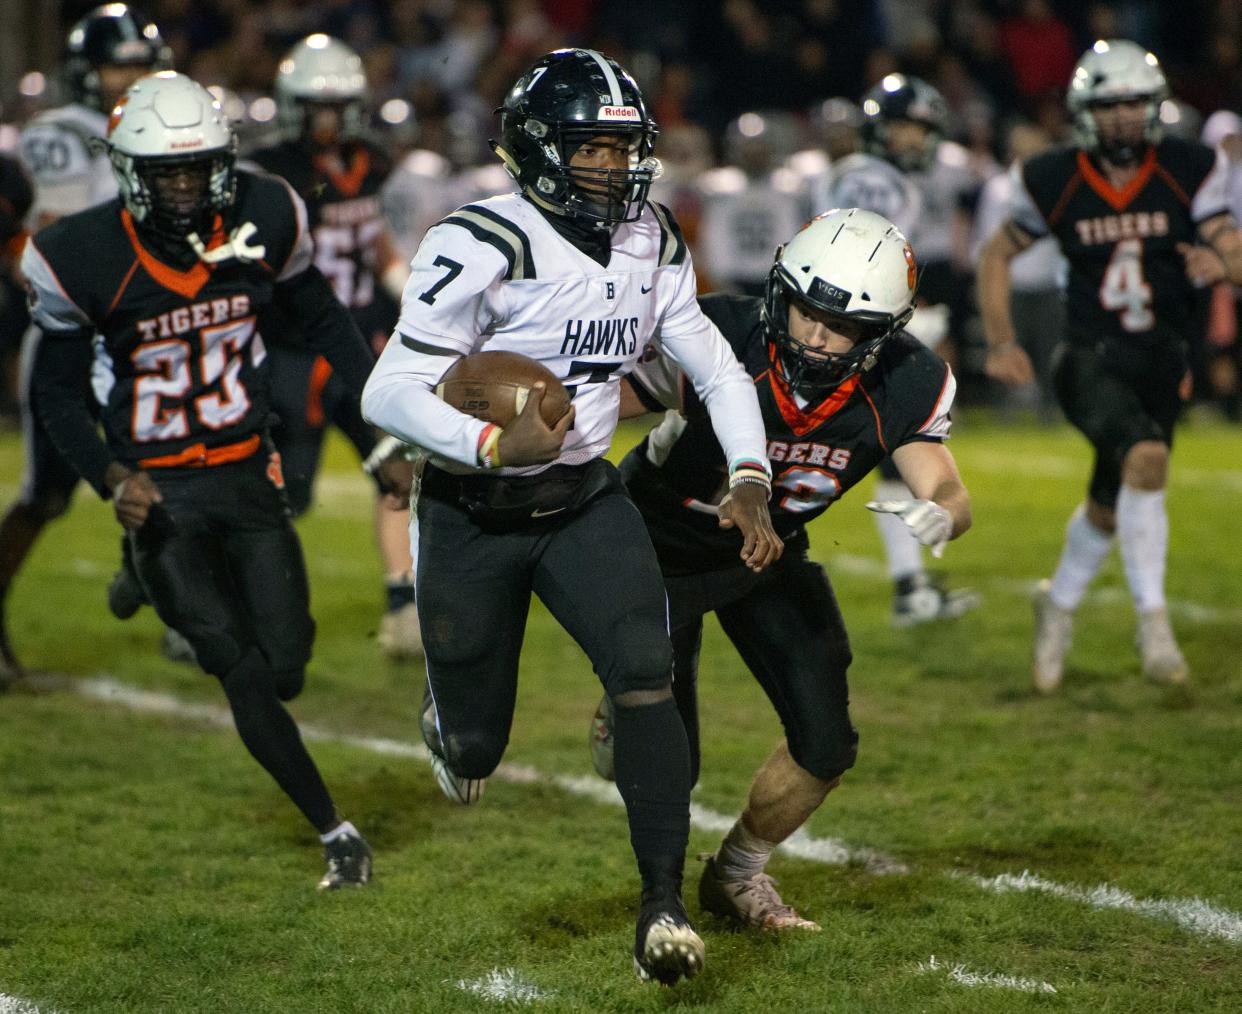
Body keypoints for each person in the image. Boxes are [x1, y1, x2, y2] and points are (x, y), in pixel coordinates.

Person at [361, 48, 782, 986]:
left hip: (585, 497)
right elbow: (385, 387)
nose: (618, 168)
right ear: (540, 149)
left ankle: (662, 907)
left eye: (627, 147)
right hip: (472, 508)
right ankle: (448, 713)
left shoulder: (652, 238)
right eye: (594, 148)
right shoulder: (481, 240)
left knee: (646, 670)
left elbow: (712, 367)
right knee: (478, 746)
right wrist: (483, 447)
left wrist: (750, 471)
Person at [24, 72, 379, 888]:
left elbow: (323, 315)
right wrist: (112, 476)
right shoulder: (81, 254)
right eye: (165, 173)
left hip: (247, 469)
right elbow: (54, 390)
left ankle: (141, 580)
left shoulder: (267, 211)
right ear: (128, 171)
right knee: (239, 666)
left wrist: (386, 411)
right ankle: (336, 833)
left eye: (196, 169)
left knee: (289, 660)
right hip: (160, 491)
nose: (183, 188)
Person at [587, 207, 970, 930]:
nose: (815, 335)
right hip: (658, 541)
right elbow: (603, 404)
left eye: (842, 327)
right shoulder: (723, 329)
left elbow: (946, 484)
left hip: (768, 551)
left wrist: (943, 513)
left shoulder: (907, 380)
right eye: (803, 311)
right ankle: (658, 885)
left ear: (882, 333)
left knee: (826, 743)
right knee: (674, 761)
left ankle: (734, 875)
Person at [977, 39, 1242, 692]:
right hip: (1088, 355)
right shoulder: (1054, 175)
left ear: (1154, 107)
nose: (1124, 116)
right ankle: (1153, 623)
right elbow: (994, 255)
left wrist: (1226, 263)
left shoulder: (1190, 165)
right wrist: (1003, 340)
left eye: (1135, 103)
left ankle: (1057, 605)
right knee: (1147, 459)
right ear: (1085, 111)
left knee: (1108, 503)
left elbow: (1231, 244)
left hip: (1162, 358)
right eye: (1111, 104)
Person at [1, 3, 170, 684]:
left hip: (147, 337)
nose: (129, 76)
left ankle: (167, 592)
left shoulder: (163, 126)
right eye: (116, 64)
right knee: (45, 497)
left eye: (139, 64)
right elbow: (69, 235)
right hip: (75, 336)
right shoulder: (62, 133)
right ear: (86, 72)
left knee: (183, 471)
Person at [247, 34, 421, 659]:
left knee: (397, 466)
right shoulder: (271, 169)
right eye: (315, 106)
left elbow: (373, 235)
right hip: (293, 348)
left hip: (358, 345)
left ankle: (405, 606)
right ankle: (227, 596)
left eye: (336, 105)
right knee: (284, 492)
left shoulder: (371, 160)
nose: (327, 119)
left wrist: (403, 286)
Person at [826, 74, 981, 627]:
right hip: (844, 333)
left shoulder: (880, 176)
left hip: (858, 329)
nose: (917, 141)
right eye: (906, 129)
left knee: (896, 453)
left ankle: (910, 589)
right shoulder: (872, 180)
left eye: (922, 131)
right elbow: (855, 256)